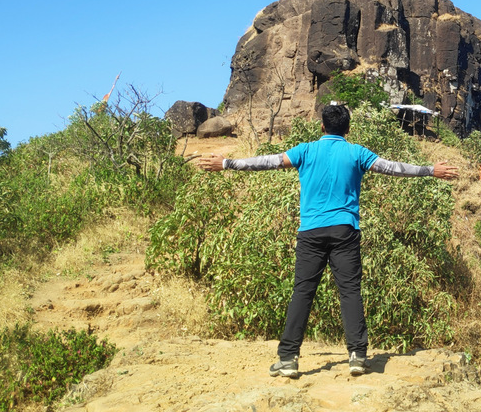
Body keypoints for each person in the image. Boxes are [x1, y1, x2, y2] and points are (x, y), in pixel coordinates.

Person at [196, 103, 458, 379]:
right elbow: (393, 168)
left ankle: (288, 359)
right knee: (349, 291)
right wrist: (431, 170)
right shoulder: (356, 152)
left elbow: (267, 162)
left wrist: (226, 163)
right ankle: (357, 355)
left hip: (311, 232)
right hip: (345, 231)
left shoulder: (306, 150)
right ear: (348, 129)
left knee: (303, 292)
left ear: (322, 126)